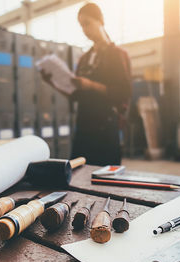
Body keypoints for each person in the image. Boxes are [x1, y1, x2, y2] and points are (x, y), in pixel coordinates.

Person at [42, 3, 132, 166]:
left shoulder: (117, 55)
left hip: (105, 128)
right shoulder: (84, 59)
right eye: (81, 25)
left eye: (87, 23)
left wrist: (91, 85)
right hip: (84, 126)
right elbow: (76, 94)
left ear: (100, 20)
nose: (84, 29)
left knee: (104, 179)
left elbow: (124, 92)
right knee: (78, 173)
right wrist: (54, 82)